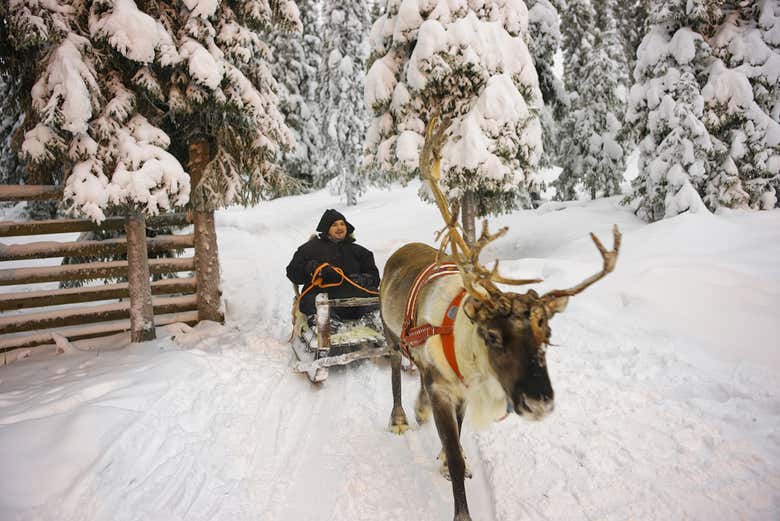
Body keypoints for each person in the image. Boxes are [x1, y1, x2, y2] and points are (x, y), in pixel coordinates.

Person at [286, 209, 380, 324]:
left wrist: (364, 279)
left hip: (356, 299)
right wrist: (310, 268)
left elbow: (375, 277)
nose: (339, 228)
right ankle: (330, 325)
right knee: (312, 302)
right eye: (334, 225)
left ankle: (374, 322)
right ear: (326, 228)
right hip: (323, 297)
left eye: (342, 224)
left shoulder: (360, 251)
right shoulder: (308, 249)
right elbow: (292, 273)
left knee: (375, 297)